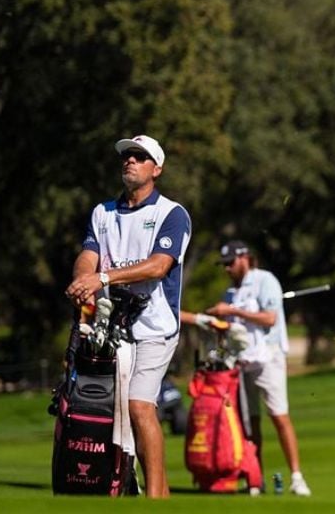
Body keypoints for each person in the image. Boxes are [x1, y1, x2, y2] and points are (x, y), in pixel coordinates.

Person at [64, 134, 190, 498]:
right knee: (117, 415)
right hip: (113, 330)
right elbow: (89, 255)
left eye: (140, 156)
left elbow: (157, 266)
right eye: (127, 156)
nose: (130, 161)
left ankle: (152, 499)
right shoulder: (102, 212)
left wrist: (102, 277)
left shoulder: (171, 213)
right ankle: (156, 495)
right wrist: (82, 280)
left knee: (139, 405)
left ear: (157, 169)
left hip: (156, 328)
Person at [208, 240, 312, 496]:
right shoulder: (230, 293)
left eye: (231, 263)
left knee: (279, 416)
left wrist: (232, 311)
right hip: (242, 363)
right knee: (249, 424)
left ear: (244, 258)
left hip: (269, 358)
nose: (227, 269)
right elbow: (230, 329)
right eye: (224, 265)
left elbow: (270, 317)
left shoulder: (265, 281)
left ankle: (297, 477)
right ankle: (255, 478)